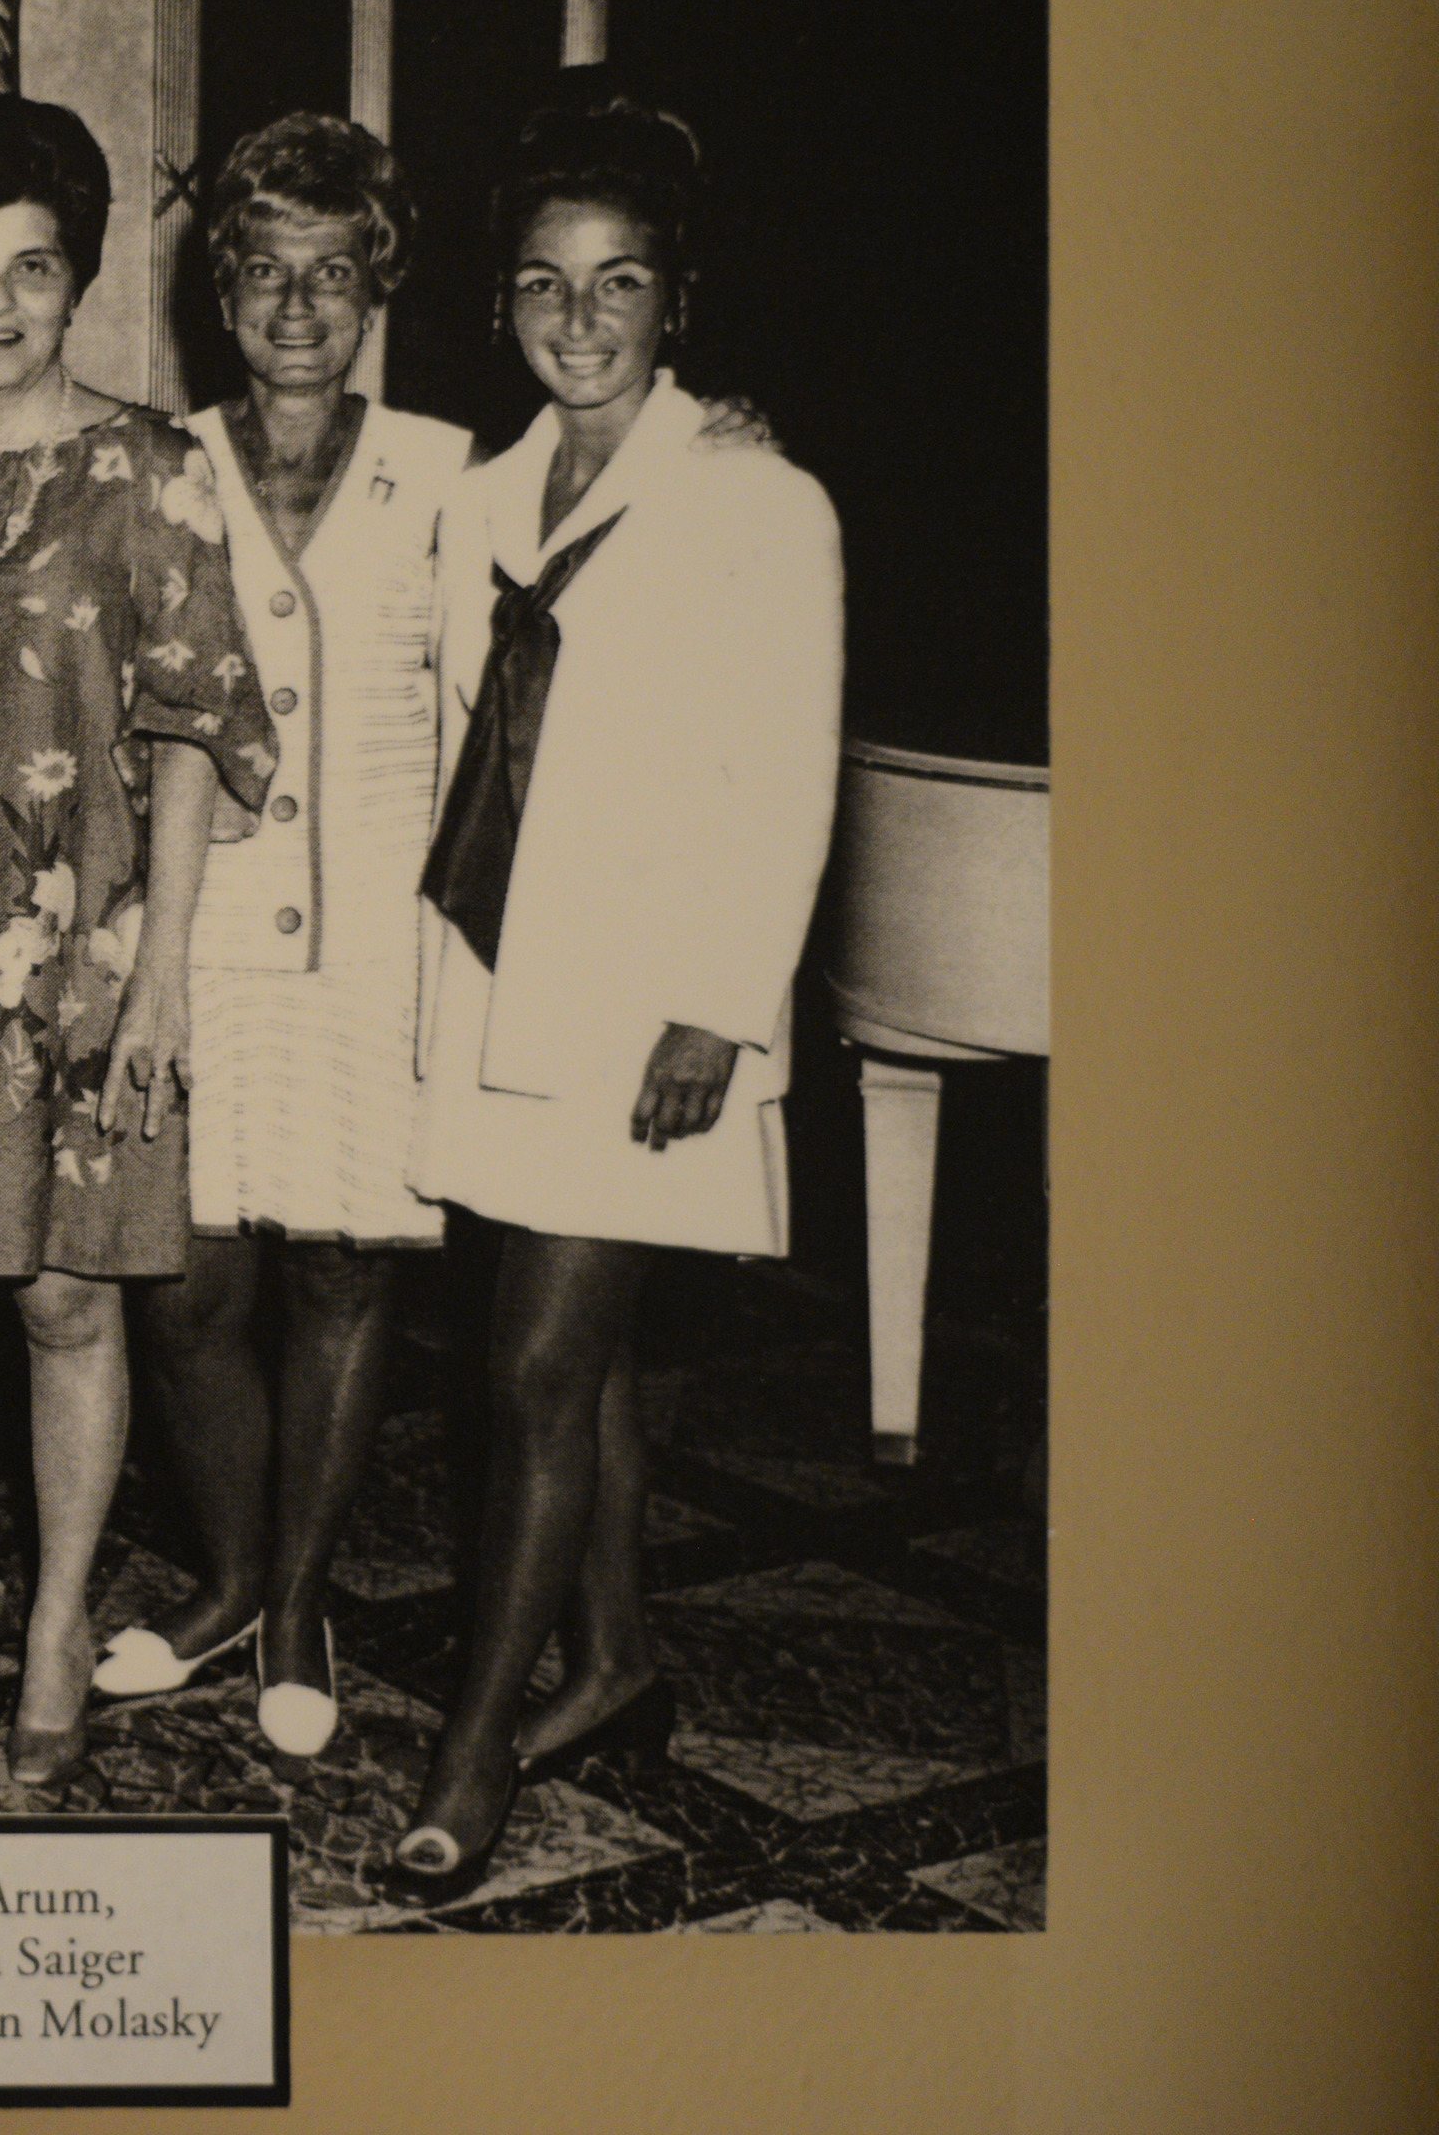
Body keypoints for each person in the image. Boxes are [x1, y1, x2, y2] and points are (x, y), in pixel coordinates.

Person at [383, 91, 842, 1899]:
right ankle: (620, 1659)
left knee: (533, 1369)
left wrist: (721, 1009)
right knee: (590, 1373)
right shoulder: (479, 500)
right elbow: (458, 757)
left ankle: (476, 1744)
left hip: (653, 1016)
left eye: (619, 283)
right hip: (503, 995)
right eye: (544, 285)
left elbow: (789, 771)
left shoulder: (756, 498)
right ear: (501, 306)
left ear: (678, 299)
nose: (580, 321)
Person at [0, 96, 278, 1788]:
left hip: (84, 951)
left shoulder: (154, 472)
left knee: (73, 1304)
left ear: (81, 276)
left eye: (31, 267)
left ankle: (62, 1615)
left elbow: (190, 724)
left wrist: (160, 970)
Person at [94, 116, 471, 1760]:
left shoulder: (457, 472)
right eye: (265, 273)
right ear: (218, 292)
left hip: (387, 931)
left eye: (334, 273)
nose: (299, 307)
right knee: (184, 1284)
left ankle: (300, 1595)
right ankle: (230, 1575)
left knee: (342, 1271)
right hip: (204, 929)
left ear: (378, 283)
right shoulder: (154, 461)